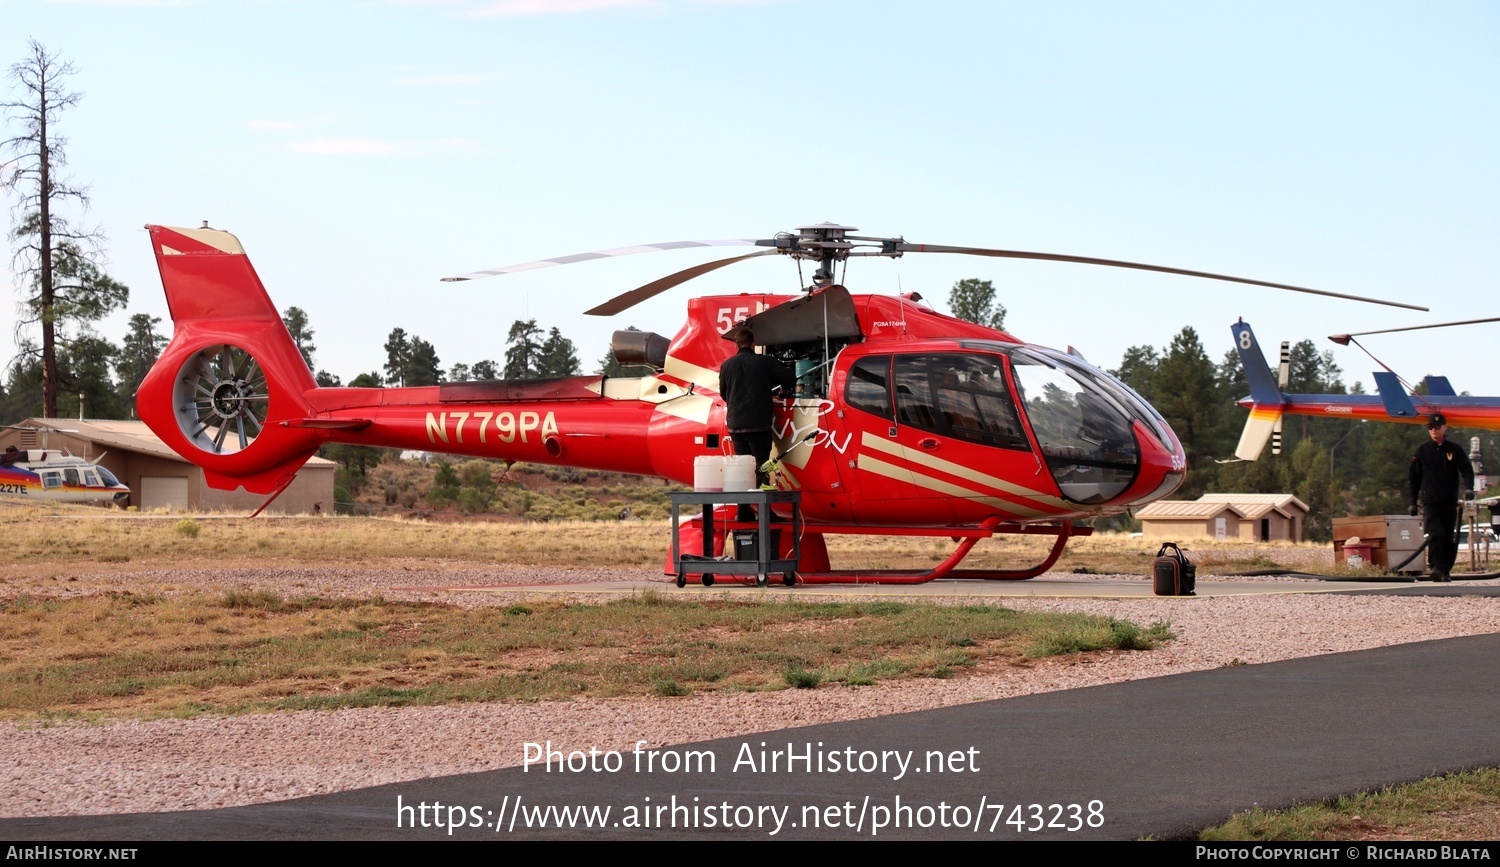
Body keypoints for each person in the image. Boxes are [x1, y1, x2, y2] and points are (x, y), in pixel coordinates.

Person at [718, 328, 795, 520]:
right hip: (758, 424)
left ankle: (742, 511)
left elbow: (723, 393)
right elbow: (789, 377)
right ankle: (765, 512)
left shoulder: (727, 365)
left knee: (743, 467)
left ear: (736, 345)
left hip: (735, 424)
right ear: (754, 344)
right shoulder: (764, 362)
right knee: (762, 465)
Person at [1409, 412, 1474, 582]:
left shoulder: (1454, 449)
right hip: (1430, 500)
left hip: (1449, 500)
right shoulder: (1422, 451)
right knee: (1434, 533)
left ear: (1445, 427)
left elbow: (1467, 469)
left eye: (1437, 427)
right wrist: (1412, 502)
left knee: (1447, 536)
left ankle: (1445, 570)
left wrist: (1469, 488)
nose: (1433, 430)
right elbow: (1414, 478)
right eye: (1430, 427)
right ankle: (1436, 568)